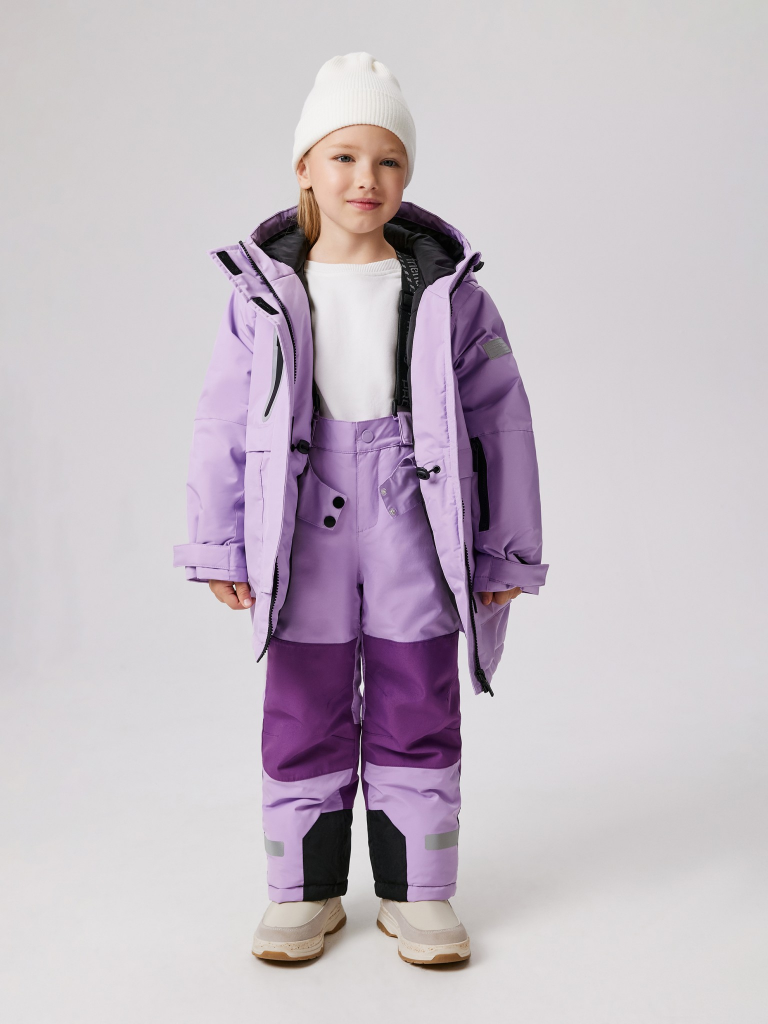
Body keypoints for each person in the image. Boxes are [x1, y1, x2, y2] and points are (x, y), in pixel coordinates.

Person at [173, 51, 548, 965]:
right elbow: (224, 419)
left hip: (414, 519)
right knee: (302, 704)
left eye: (387, 160)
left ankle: (420, 892)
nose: (364, 178)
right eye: (343, 156)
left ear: (407, 174)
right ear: (304, 166)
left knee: (418, 697)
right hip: (301, 524)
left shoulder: (454, 296)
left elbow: (502, 423)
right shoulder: (263, 296)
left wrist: (505, 553)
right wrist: (219, 542)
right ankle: (304, 893)